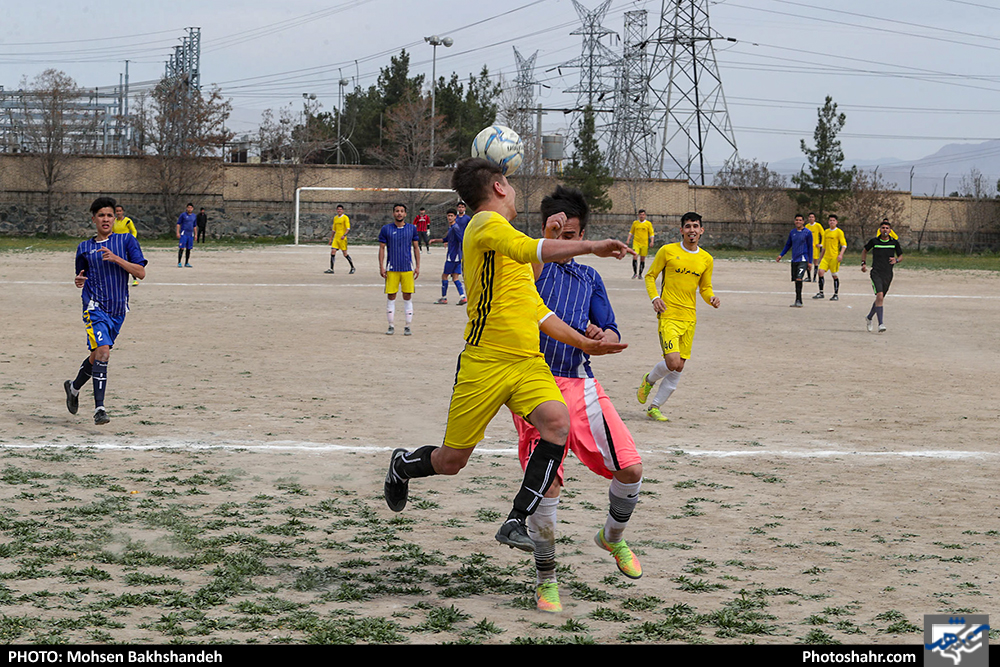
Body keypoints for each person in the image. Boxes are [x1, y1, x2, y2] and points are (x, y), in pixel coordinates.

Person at [383, 157, 632, 558]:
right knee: (451, 461)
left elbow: (537, 308)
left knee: (556, 422)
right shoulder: (483, 223)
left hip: (528, 362)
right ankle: (402, 464)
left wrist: (585, 345)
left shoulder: (507, 243)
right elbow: (525, 246)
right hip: (485, 362)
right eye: (510, 184)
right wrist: (590, 245)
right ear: (499, 187)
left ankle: (517, 518)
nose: (514, 191)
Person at [512, 185, 644, 613]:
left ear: (583, 235)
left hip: (580, 382)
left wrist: (602, 335)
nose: (566, 244)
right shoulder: (524, 267)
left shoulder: (589, 278)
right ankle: (545, 578)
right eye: (557, 234)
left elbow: (612, 329)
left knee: (631, 468)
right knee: (547, 486)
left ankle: (612, 537)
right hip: (534, 385)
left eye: (573, 236)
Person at [64, 197, 147, 426]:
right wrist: (79, 280)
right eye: (101, 215)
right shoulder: (84, 247)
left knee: (97, 355)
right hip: (94, 307)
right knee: (103, 353)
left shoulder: (127, 241)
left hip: (118, 309)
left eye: (109, 215)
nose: (106, 219)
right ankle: (100, 408)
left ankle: (73, 387)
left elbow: (140, 273)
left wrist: (116, 258)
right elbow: (81, 275)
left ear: (115, 217)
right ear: (94, 219)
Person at [637, 212, 720, 422]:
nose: (692, 230)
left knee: (679, 366)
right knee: (672, 361)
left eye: (696, 226)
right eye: (688, 226)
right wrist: (655, 297)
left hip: (689, 317)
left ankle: (654, 407)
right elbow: (650, 276)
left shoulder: (706, 259)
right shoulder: (667, 251)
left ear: (702, 230)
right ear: (681, 230)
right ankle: (649, 380)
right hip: (668, 315)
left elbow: (705, 288)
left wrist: (711, 298)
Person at [378, 204, 420, 335]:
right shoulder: (386, 229)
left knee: (407, 296)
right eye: (397, 211)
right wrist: (381, 266)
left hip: (407, 268)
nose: (399, 213)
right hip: (392, 268)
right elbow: (382, 248)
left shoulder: (412, 229)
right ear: (393, 213)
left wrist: (417, 266)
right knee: (391, 296)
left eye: (402, 211)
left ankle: (407, 326)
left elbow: (416, 248)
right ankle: (391, 325)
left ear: (405, 214)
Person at [862, 220, 903, 333]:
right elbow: (864, 251)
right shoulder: (874, 241)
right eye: (883, 228)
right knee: (879, 296)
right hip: (876, 273)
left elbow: (901, 256)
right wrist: (863, 263)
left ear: (890, 231)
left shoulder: (894, 243)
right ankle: (881, 324)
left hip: (888, 274)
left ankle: (869, 317)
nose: (885, 230)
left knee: (880, 298)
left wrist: (897, 260)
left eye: (887, 228)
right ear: (880, 229)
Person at [430, 208, 467, 305]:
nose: (450, 217)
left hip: (453, 256)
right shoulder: (452, 227)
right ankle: (463, 297)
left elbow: (461, 240)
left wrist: (463, 252)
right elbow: (446, 239)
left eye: (452, 216)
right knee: (455, 278)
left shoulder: (455, 228)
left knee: (444, 276)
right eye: (448, 216)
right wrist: (435, 240)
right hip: (457, 257)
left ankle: (444, 298)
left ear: (455, 217)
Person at [776, 214, 814, 307]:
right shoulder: (792, 232)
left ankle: (799, 300)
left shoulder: (807, 233)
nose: (798, 222)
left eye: (800, 220)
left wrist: (810, 262)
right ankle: (797, 299)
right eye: (797, 220)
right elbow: (788, 245)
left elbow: (810, 247)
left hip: (803, 259)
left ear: (803, 222)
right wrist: (781, 255)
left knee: (799, 278)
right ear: (794, 221)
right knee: (796, 280)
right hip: (794, 259)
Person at [813, 214, 847, 301]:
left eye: (833, 220)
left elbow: (844, 245)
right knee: (820, 272)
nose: (831, 222)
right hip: (826, 257)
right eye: (830, 220)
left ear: (836, 222)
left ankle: (835, 294)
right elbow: (824, 246)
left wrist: (841, 255)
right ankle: (821, 292)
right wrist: (821, 257)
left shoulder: (839, 232)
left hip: (834, 257)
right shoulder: (826, 232)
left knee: (834, 275)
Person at [113, 204, 140, 286]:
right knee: (116, 261)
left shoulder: (128, 221)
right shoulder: (113, 221)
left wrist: (132, 240)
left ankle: (135, 279)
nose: (118, 213)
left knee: (128, 262)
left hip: (126, 244)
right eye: (117, 211)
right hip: (116, 244)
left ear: (123, 212)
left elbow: (134, 231)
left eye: (120, 211)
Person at [326, 204, 355, 275]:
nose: (339, 210)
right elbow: (334, 230)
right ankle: (331, 269)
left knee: (345, 254)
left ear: (343, 210)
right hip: (336, 238)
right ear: (336, 210)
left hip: (342, 238)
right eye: (338, 209)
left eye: (340, 209)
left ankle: (352, 267)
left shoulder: (345, 218)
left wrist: (344, 235)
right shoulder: (335, 218)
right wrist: (331, 239)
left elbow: (348, 228)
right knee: (333, 252)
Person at [626, 209, 655, 279]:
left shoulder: (648, 224)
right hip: (636, 243)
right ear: (638, 215)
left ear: (645, 215)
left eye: (643, 215)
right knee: (635, 256)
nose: (642, 216)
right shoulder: (635, 223)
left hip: (644, 243)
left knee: (642, 259)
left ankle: (640, 274)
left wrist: (652, 241)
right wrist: (628, 240)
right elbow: (631, 232)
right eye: (640, 215)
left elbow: (651, 233)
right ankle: (635, 273)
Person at [176, 203, 197, 268]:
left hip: (190, 234)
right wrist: (178, 232)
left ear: (192, 209)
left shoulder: (194, 216)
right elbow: (178, 224)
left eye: (191, 208)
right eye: (188, 208)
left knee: (189, 248)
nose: (189, 209)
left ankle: (186, 262)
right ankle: (179, 262)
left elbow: (194, 226)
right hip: (184, 233)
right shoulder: (183, 215)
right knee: (182, 247)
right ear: (186, 208)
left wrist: (196, 234)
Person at [805, 212, 824, 282]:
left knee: (815, 262)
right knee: (808, 262)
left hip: (815, 247)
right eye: (810, 217)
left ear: (814, 218)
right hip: (808, 247)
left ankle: (815, 277)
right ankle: (809, 277)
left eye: (812, 217)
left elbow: (823, 234)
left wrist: (821, 244)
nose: (811, 218)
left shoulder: (818, 226)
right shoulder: (807, 226)